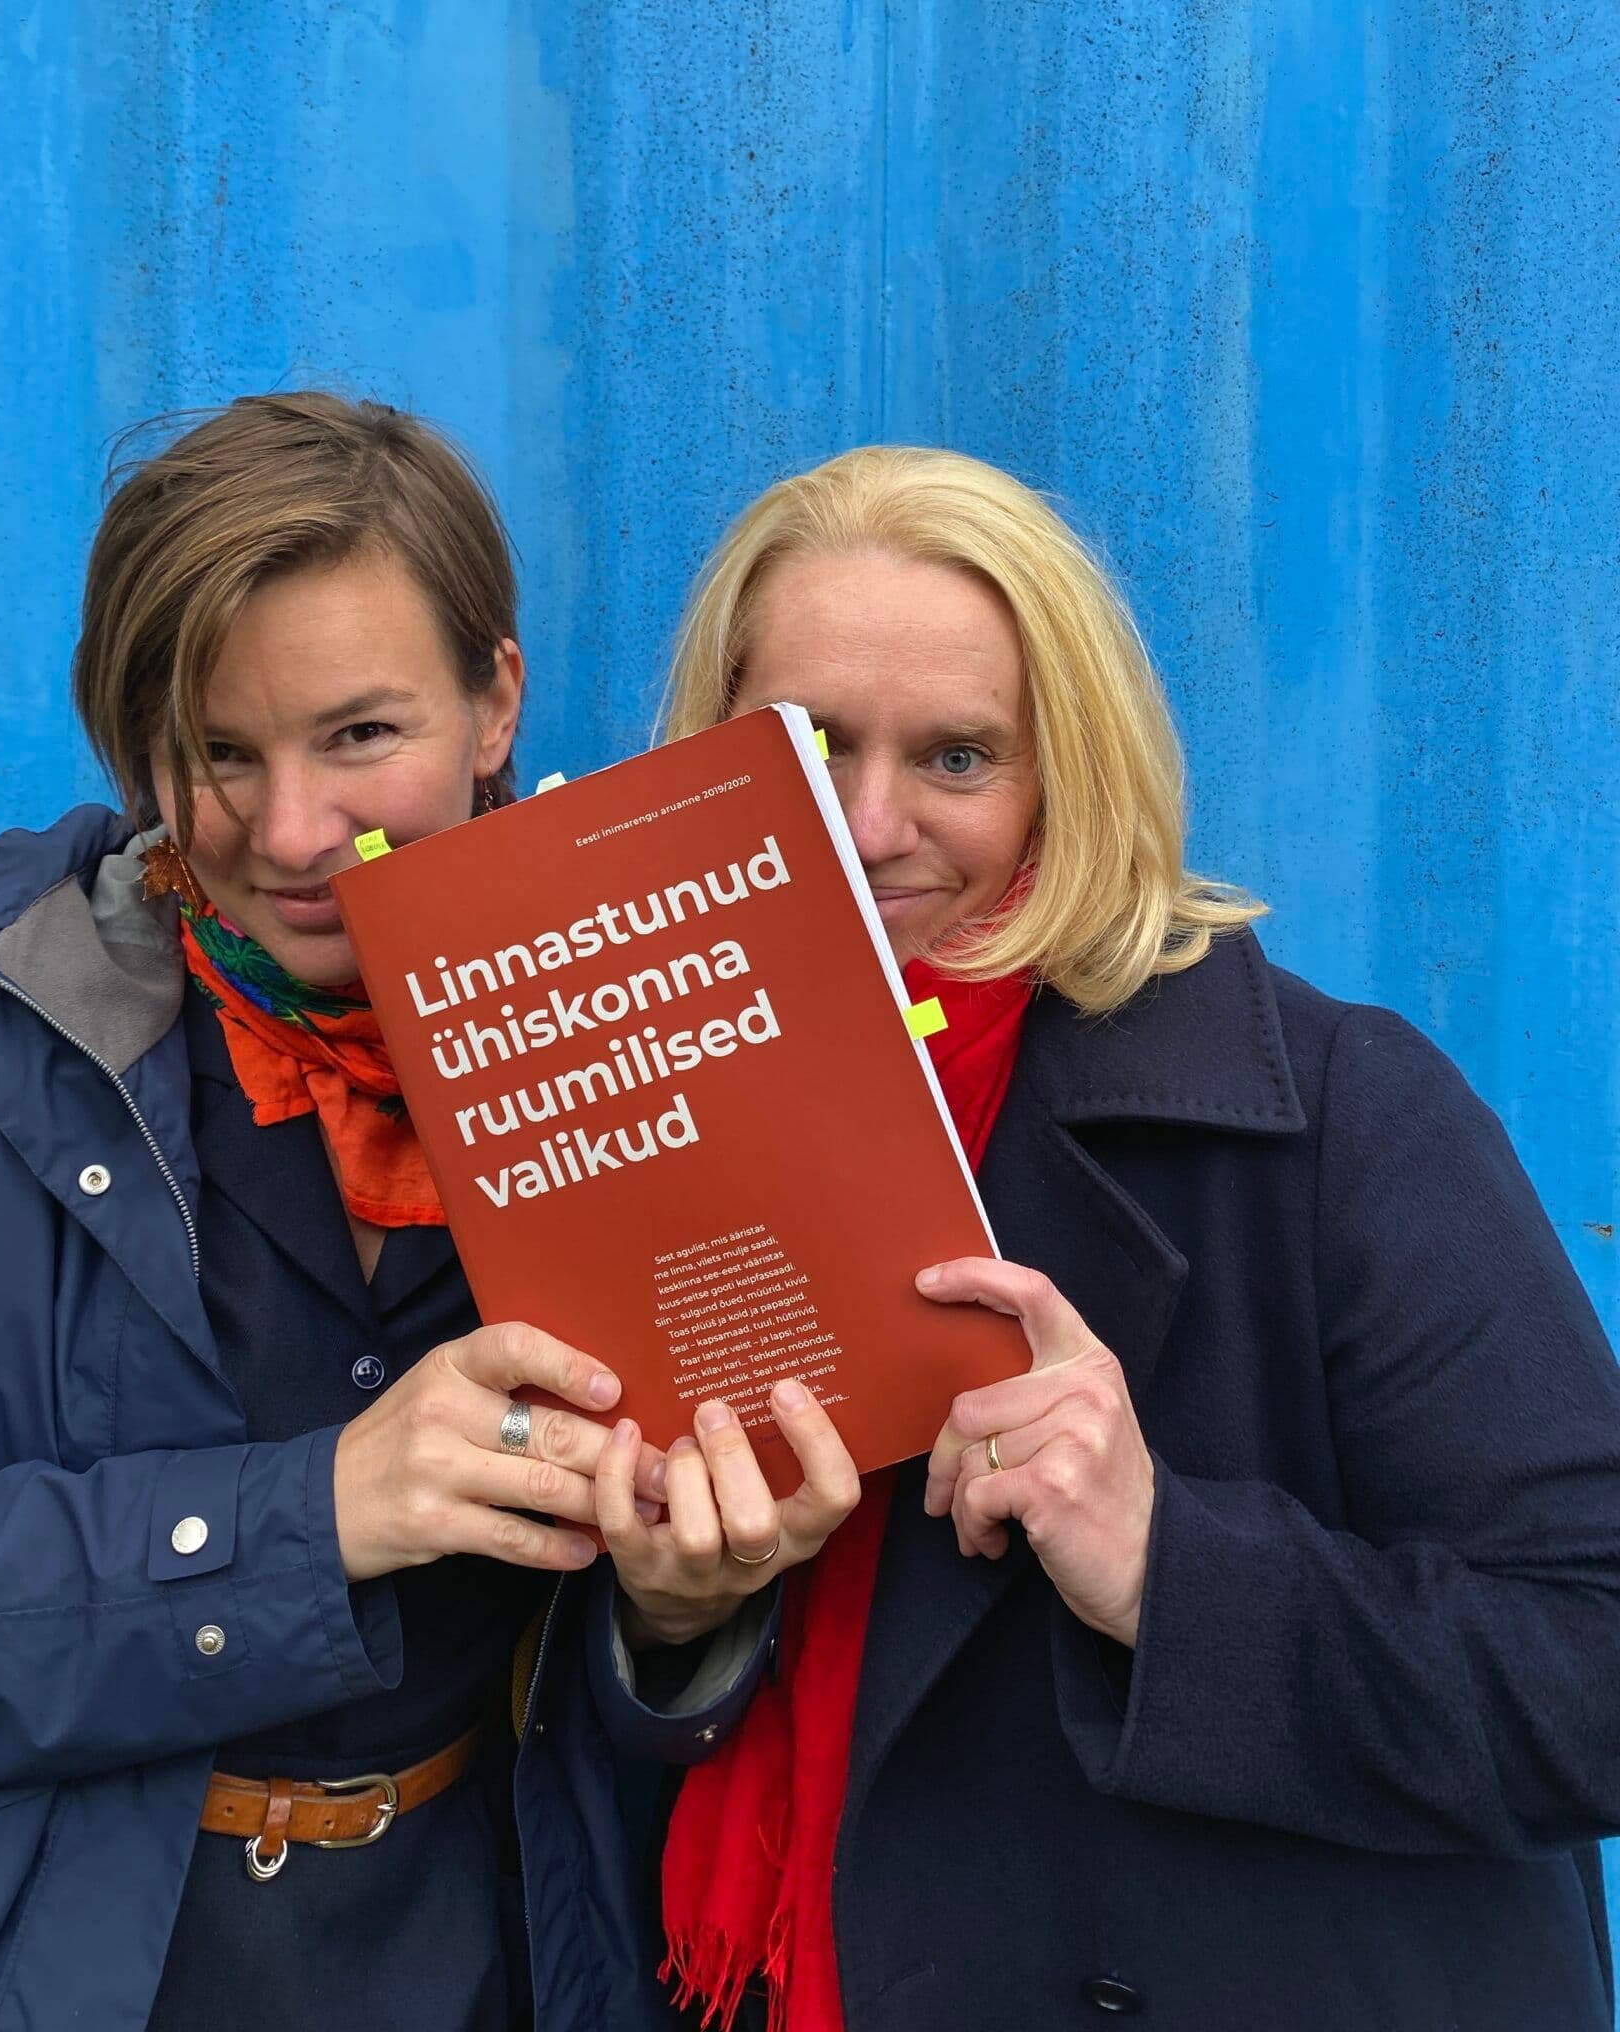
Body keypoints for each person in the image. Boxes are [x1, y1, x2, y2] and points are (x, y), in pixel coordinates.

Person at [0, 392, 756, 2032]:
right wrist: (306, 1516)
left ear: (495, 701)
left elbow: (660, 1655)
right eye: (220, 754)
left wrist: (681, 1615)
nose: (291, 834)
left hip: (481, 1947)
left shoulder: (648, 1030)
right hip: (26, 1963)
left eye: (361, 735)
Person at [585, 443, 1620, 2032]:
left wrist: (1166, 1570)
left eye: (956, 757)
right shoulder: (637, 1110)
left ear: (1064, 778)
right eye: (805, 744)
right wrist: (676, 1616)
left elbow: (1591, 1673)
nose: (866, 824)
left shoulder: (1335, 1114)